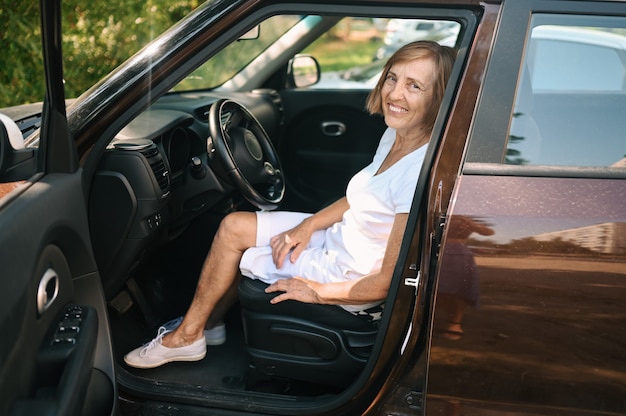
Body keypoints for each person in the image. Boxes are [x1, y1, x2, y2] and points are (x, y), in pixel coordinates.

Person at [124, 40, 456, 369]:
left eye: (415, 86)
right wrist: (308, 225)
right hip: (341, 238)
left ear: (437, 96)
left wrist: (318, 291)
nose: (395, 94)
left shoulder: (417, 171)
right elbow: (363, 197)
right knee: (234, 226)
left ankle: (186, 336)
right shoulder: (397, 134)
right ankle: (206, 327)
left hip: (347, 271)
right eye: (392, 78)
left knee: (249, 256)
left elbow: (387, 280)